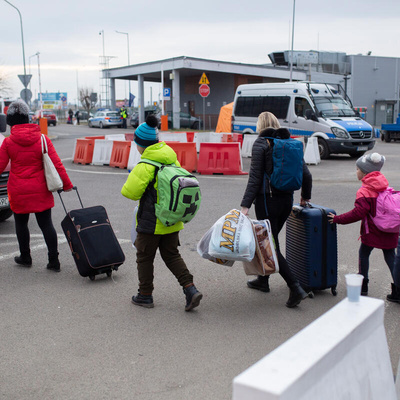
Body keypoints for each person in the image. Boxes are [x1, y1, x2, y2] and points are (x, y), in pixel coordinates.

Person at [121, 114, 202, 311]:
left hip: (151, 222)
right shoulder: (171, 160)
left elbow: (129, 192)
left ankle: (145, 295)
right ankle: (190, 289)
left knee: (144, 257)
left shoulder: (146, 165)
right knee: (172, 255)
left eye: (136, 144)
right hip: (172, 220)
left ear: (142, 144)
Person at [240, 111, 312, 308]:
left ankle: (295, 287)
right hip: (286, 201)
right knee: (270, 241)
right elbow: (306, 175)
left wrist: (245, 205)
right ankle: (263, 281)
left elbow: (254, 179)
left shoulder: (261, 144)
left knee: (270, 245)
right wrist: (305, 196)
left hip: (267, 201)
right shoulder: (289, 144)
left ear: (260, 125)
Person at [0, 100, 73, 271]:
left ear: (10, 122)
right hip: (41, 189)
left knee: (21, 224)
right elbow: (57, 164)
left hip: (18, 191)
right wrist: (67, 184)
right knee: (46, 224)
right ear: (28, 118)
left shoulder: (8, 143)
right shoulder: (42, 139)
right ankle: (53, 261)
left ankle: (25, 257)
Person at [328, 152, 399, 298]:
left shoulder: (365, 191)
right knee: (391, 256)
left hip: (372, 231)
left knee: (364, 254)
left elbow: (358, 213)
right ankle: (398, 289)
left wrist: (337, 219)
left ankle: (363, 286)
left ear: (365, 172)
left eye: (358, 169)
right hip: (390, 229)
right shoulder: (384, 185)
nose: (356, 172)